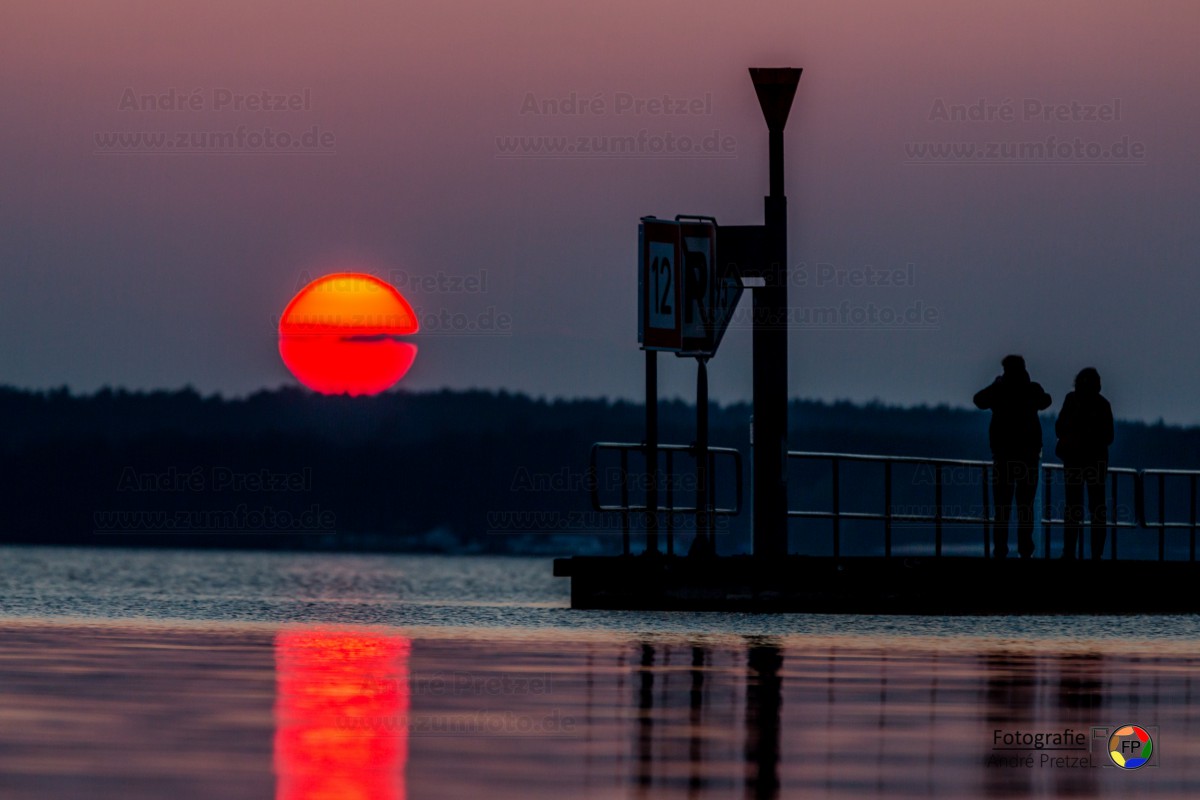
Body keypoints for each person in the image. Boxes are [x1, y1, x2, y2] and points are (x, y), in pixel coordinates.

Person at [974, 355, 1052, 558]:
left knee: (1002, 507)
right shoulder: (1031, 389)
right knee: (1025, 506)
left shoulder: (1000, 390)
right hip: (1028, 457)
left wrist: (997, 384)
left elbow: (979, 400)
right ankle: (1025, 549)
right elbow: (1046, 401)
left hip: (1003, 456)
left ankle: (1001, 549)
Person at [1054, 368, 1114, 560]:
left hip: (1073, 461)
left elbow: (1058, 428)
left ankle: (1069, 551)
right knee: (1097, 509)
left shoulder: (1071, 400)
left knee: (1073, 508)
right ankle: (1096, 553)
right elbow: (1109, 436)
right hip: (1096, 463)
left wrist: (1073, 436)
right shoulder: (1103, 404)